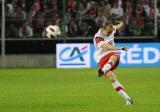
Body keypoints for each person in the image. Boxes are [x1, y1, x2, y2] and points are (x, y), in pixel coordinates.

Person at [93, 21, 133, 105]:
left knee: (115, 55)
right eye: (109, 32)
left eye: (111, 31)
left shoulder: (111, 29)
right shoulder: (98, 37)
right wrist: (120, 48)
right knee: (112, 78)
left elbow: (118, 26)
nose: (110, 33)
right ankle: (127, 98)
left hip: (111, 54)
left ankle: (103, 71)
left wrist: (121, 23)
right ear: (103, 29)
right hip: (101, 58)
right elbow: (107, 47)